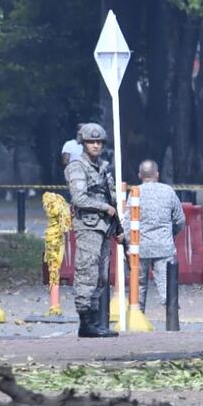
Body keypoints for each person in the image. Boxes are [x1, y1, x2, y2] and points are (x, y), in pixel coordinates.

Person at [66, 122, 124, 337]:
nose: (96, 145)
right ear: (83, 143)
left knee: (101, 275)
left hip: (105, 227)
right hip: (89, 226)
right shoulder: (77, 167)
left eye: (99, 141)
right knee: (86, 273)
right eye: (91, 141)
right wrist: (104, 207)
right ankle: (85, 321)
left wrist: (118, 223)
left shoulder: (104, 167)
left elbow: (113, 197)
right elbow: (79, 198)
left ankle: (95, 320)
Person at [135, 159, 185, 310]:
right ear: (157, 174)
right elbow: (180, 219)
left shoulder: (135, 192)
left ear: (139, 175)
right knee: (166, 287)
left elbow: (128, 221)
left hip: (140, 246)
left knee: (138, 287)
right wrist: (171, 234)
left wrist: (128, 244)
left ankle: (138, 321)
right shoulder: (168, 191)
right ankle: (172, 322)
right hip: (164, 246)